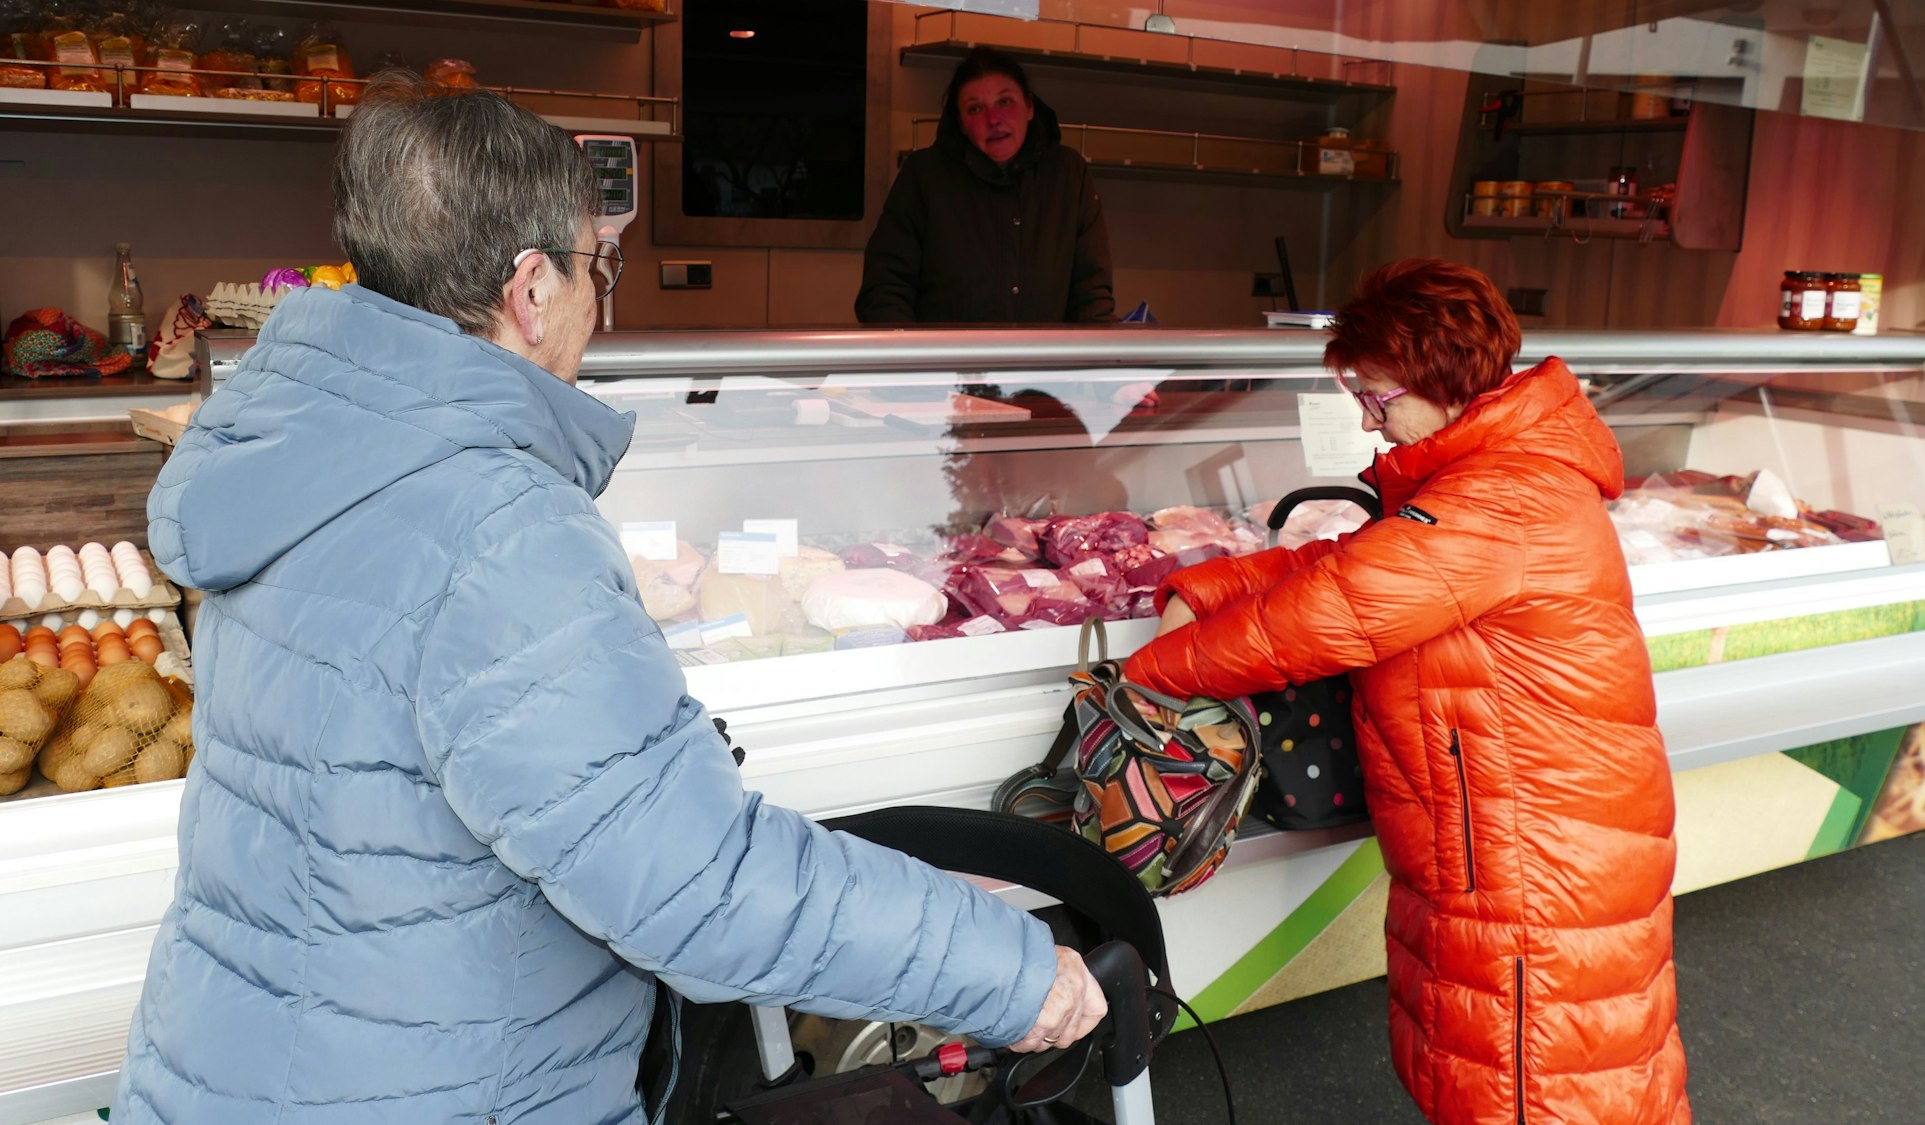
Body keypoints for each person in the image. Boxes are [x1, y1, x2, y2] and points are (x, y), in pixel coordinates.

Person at [113, 75, 1102, 1124]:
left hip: (234, 1068)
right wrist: (1016, 973)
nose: (602, 297)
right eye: (600, 265)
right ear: (530, 289)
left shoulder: (308, 453)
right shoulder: (497, 525)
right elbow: (695, 883)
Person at [1124, 260, 1690, 1124]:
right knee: (1538, 1069)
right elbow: (1353, 564)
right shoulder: (1483, 474)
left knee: (1537, 1080)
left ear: (1445, 377)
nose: (1365, 416)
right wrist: (1206, 591)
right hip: (1515, 829)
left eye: (1378, 395)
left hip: (1536, 851)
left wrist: (1143, 674)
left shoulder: (1506, 496)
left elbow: (1330, 611)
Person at [855, 47, 1113, 324]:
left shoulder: (1069, 173)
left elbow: (1091, 293)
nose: (993, 119)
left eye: (1005, 102)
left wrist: (1094, 361)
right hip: (942, 363)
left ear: (1029, 107)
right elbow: (885, 288)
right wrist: (908, 359)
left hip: (1044, 363)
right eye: (975, 108)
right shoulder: (924, 174)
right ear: (961, 123)